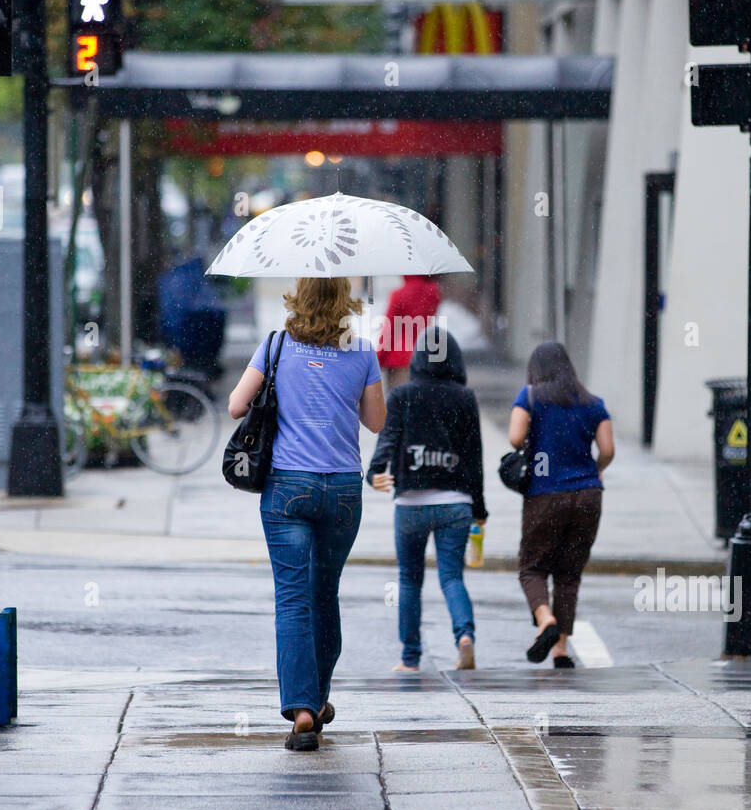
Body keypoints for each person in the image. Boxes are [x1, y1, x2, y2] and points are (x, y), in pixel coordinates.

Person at [228, 277, 386, 751]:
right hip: (340, 489)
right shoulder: (361, 352)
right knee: (325, 594)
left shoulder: (276, 346)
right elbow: (376, 422)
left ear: (299, 299)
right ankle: (317, 700)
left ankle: (301, 709)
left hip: (286, 488)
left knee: (293, 599)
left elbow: (237, 405)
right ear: (345, 304)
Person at [367, 324, 487, 672]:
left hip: (411, 504)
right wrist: (479, 508)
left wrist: (375, 471)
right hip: (455, 502)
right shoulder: (465, 398)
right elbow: (473, 455)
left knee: (409, 580)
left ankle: (410, 658)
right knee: (452, 578)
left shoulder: (402, 395)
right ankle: (465, 637)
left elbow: (387, 439)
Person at [508, 341, 614, 667]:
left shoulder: (530, 396)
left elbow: (514, 438)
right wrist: (590, 473)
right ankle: (562, 650)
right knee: (569, 575)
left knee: (532, 567)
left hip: (545, 493)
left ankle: (546, 621)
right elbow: (608, 449)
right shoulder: (593, 403)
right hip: (588, 495)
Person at [376, 274, 441, 389]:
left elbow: (389, 330)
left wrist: (377, 361)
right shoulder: (433, 293)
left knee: (398, 403)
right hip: (424, 357)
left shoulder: (398, 295)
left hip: (399, 360)